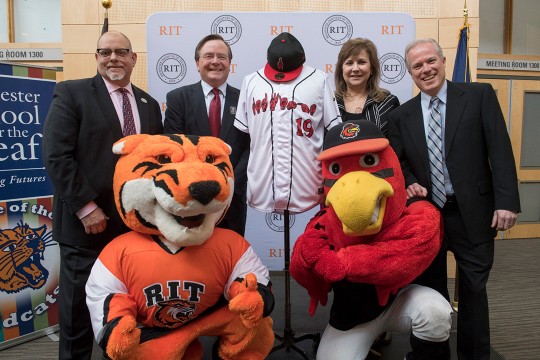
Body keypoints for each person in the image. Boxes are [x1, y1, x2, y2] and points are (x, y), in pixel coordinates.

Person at [387, 38, 520, 360]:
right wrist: (413, 183)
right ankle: (434, 355)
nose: (426, 69)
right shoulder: (401, 116)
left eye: (431, 61)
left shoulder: (479, 97)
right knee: (431, 290)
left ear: (443, 61)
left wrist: (507, 201)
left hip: (474, 212)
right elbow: (398, 163)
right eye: (417, 66)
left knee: (474, 290)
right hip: (428, 217)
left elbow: (499, 150)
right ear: (410, 73)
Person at [43, 31, 163, 360]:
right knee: (77, 313)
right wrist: (86, 207)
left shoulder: (148, 105)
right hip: (87, 227)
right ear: (96, 57)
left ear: (133, 58)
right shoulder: (72, 93)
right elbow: (56, 156)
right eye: (105, 52)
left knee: (129, 309)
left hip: (134, 228)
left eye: (121, 52)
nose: (113, 58)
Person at [234, 32, 341, 215]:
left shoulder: (319, 79)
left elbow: (333, 129)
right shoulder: (250, 81)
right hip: (262, 184)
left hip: (306, 184)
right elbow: (241, 136)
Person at [164, 34, 249, 236]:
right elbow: (174, 147)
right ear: (197, 63)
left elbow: (250, 147)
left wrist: (230, 185)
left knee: (229, 259)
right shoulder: (178, 99)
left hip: (232, 200)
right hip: (191, 199)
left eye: (221, 57)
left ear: (229, 63)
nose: (215, 62)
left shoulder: (245, 99)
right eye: (208, 56)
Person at [334, 38, 400, 136]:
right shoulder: (330, 103)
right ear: (341, 69)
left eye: (361, 62)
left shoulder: (388, 103)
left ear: (372, 68)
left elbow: (395, 146)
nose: (355, 68)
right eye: (349, 63)